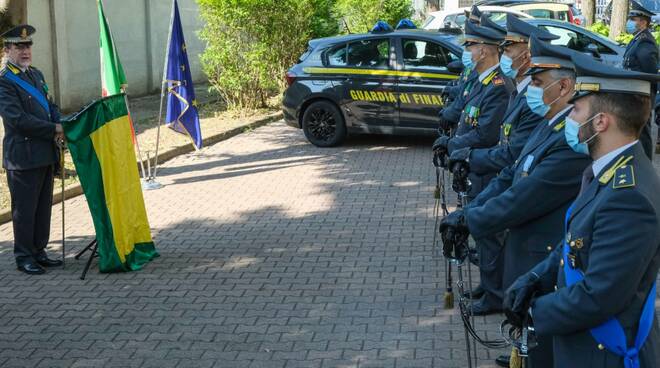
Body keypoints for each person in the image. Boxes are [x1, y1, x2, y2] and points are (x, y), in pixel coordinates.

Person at [440, 36, 592, 368]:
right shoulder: (550, 126)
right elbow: (512, 172)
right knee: (529, 341)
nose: (530, 86)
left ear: (564, 87)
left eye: (538, 82)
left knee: (541, 349)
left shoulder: (568, 142)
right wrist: (470, 212)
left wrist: (471, 220)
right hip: (527, 249)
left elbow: (523, 197)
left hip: (543, 255)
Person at [504, 52, 660, 368]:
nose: (570, 118)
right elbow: (578, 241)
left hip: (603, 351)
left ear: (600, 122)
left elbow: (599, 295)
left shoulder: (629, 196)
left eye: (576, 110)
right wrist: (536, 277)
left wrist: (535, 311)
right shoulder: (609, 171)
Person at [443, 14, 559, 318]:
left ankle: (495, 293)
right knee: (487, 237)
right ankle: (491, 287)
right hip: (496, 176)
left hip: (501, 179)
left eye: (508, 49)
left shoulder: (518, 95)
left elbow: (509, 152)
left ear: (527, 53)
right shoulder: (521, 94)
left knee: (492, 238)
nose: (505, 55)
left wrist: (467, 155)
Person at [0, 24, 63, 275]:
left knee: (42, 207)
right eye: (19, 46)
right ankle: (24, 256)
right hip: (23, 156)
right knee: (24, 210)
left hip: (44, 153)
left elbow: (50, 106)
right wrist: (53, 128)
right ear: (7, 49)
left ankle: (39, 251)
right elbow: (17, 120)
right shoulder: (4, 81)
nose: (25, 51)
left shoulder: (35, 75)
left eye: (28, 46)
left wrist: (62, 123)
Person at [432, 15, 511, 200]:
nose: (466, 51)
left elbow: (486, 135)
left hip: (484, 176)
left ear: (483, 52)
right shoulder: (481, 79)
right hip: (471, 170)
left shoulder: (498, 86)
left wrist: (451, 145)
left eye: (469, 46)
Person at [622, 1, 658, 160]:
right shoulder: (636, 39)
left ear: (643, 22)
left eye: (633, 19)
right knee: (636, 129)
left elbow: (649, 73)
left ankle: (646, 164)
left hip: (640, 93)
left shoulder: (645, 41)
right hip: (634, 91)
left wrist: (648, 95)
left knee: (642, 130)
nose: (629, 22)